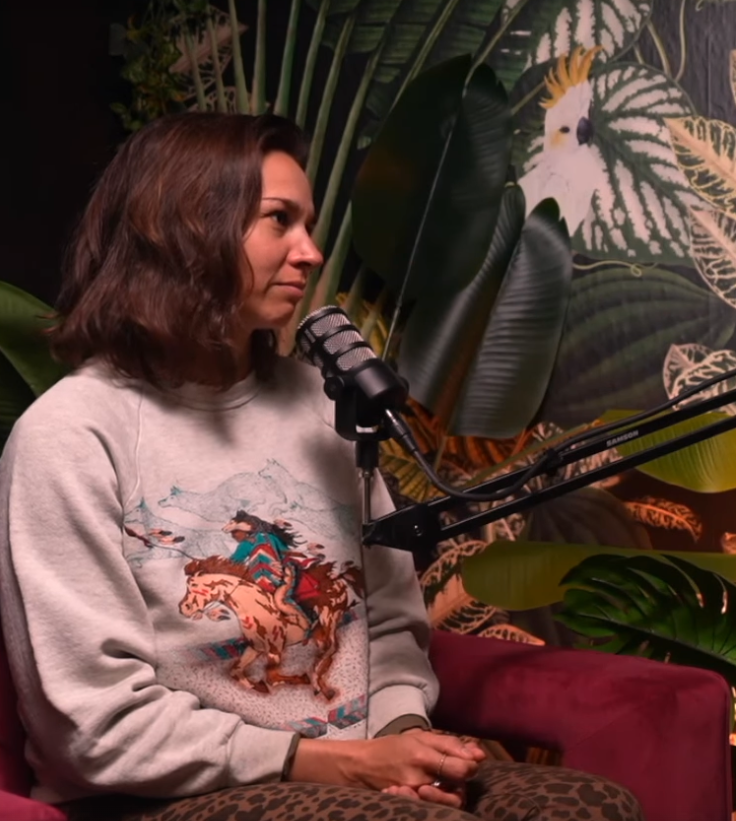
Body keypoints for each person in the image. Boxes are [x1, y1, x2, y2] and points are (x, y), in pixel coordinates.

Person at [0, 112, 644, 821]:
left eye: (309, 224)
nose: (309, 252)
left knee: (587, 805)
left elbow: (393, 623)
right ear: (186, 227)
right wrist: (336, 765)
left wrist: (405, 741)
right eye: (280, 221)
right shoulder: (71, 434)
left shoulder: (320, 404)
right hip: (158, 796)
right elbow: (93, 723)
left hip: (349, 771)